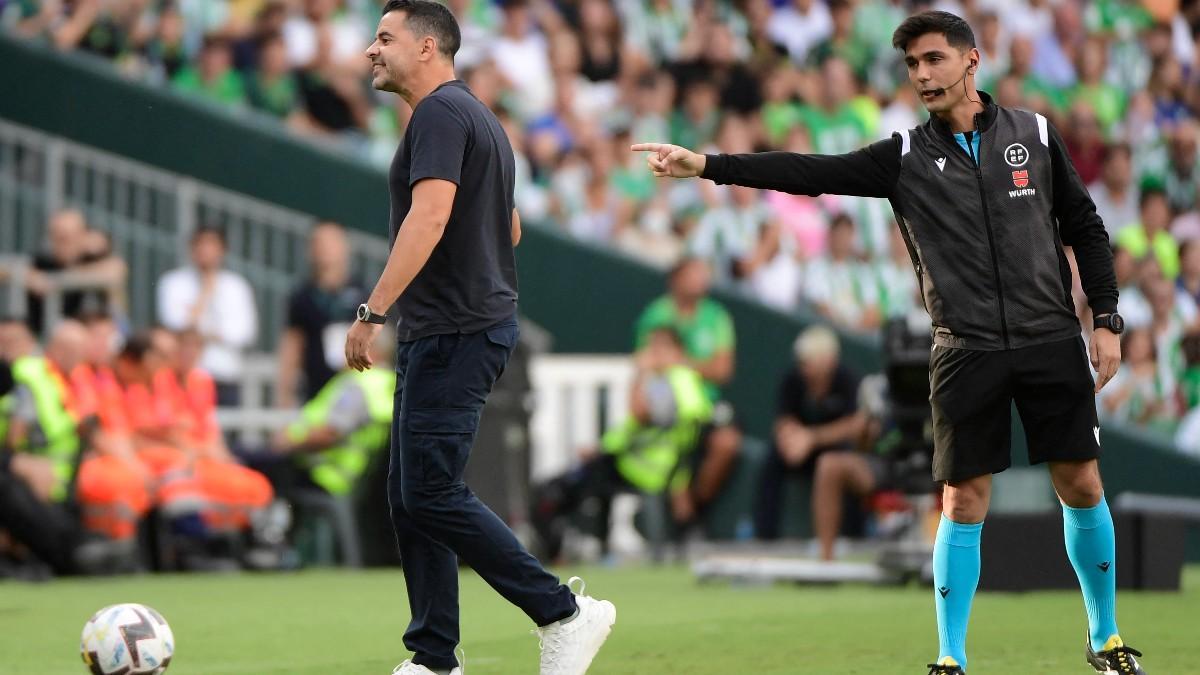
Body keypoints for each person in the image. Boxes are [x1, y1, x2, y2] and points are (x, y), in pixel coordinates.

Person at [632, 11, 1145, 675]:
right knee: (962, 500)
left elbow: (1087, 228)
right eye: (912, 65)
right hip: (965, 347)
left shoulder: (1036, 136)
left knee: (1081, 484)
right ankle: (950, 657)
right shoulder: (903, 156)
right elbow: (806, 169)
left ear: (971, 61)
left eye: (934, 59)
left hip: (1049, 337)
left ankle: (1104, 638)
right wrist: (707, 164)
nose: (923, 74)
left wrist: (1105, 320)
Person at [344, 3, 615, 674]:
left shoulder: (439, 115)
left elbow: (431, 216)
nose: (370, 50)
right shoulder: (480, 117)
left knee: (429, 491)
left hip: (455, 330)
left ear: (429, 46)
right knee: (411, 492)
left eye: (385, 37)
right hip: (461, 325)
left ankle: (563, 611)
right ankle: (434, 655)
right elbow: (510, 226)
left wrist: (373, 311)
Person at [531, 326, 712, 560]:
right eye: (650, 346)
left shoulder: (670, 380)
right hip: (648, 461)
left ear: (677, 352)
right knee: (581, 478)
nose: (651, 353)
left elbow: (640, 413)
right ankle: (582, 544)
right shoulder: (685, 381)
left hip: (645, 466)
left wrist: (640, 373)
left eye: (659, 347)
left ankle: (580, 547)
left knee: (575, 484)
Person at [633, 258, 742, 524]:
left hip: (706, 406)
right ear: (675, 279)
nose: (701, 279)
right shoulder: (656, 315)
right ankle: (679, 516)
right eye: (693, 273)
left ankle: (693, 509)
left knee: (726, 443)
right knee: (670, 442)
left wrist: (680, 361)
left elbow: (723, 370)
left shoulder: (716, 316)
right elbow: (646, 362)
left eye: (703, 273)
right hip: (666, 407)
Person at [755, 325, 866, 544]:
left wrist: (812, 438)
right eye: (802, 362)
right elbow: (783, 419)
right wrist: (789, 441)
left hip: (834, 447)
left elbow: (854, 425)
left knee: (846, 465)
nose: (804, 368)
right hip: (800, 449)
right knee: (771, 462)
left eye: (809, 362)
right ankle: (764, 536)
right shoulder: (792, 379)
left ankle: (855, 537)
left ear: (828, 362)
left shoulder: (847, 379)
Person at [156, 224, 258, 407]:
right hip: (186, 377)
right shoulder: (173, 282)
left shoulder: (237, 286)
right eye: (200, 244)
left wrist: (202, 332)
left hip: (225, 375)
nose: (205, 250)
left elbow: (244, 334)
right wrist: (204, 294)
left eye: (211, 244)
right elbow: (175, 327)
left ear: (223, 249)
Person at [278, 221, 368, 408]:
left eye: (332, 242)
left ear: (345, 246)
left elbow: (382, 342)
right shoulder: (302, 297)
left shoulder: (363, 294)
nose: (325, 249)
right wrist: (284, 397)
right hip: (316, 395)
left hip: (356, 393)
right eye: (319, 243)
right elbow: (292, 346)